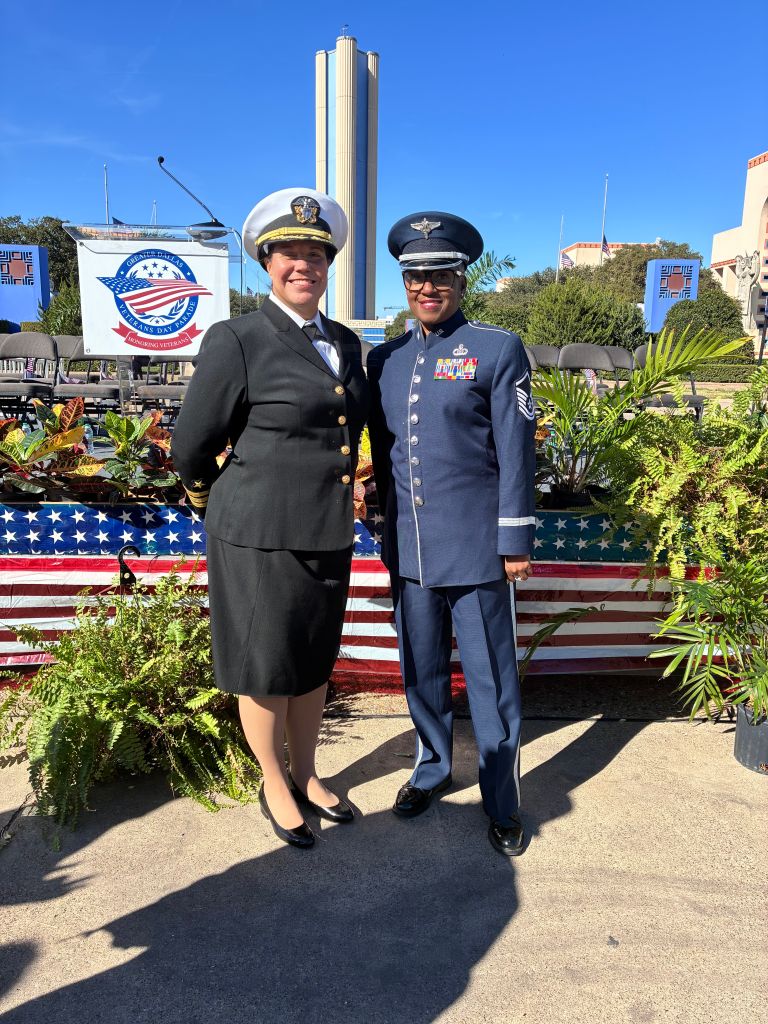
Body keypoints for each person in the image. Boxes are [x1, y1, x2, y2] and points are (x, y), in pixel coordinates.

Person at [172, 188, 369, 849]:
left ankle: (309, 774)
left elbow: (350, 429)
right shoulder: (238, 339)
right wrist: (211, 496)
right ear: (266, 261)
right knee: (266, 665)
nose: (303, 263)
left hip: (326, 528)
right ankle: (274, 782)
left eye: (315, 252)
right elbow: (191, 443)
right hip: (257, 533)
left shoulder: (344, 341)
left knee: (313, 661)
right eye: (289, 252)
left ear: (329, 262)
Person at [366, 211, 536, 857]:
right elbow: (383, 455)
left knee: (491, 681)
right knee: (423, 672)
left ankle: (502, 801)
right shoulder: (386, 358)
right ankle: (431, 770)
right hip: (409, 548)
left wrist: (514, 542)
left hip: (478, 549)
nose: (427, 288)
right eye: (416, 277)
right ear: (405, 284)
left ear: (462, 280)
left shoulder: (496, 348)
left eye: (440, 276)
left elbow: (517, 452)